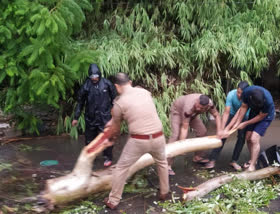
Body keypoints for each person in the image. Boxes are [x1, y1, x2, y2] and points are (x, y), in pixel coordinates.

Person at [102, 73, 169, 209]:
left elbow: (116, 129)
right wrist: (114, 119)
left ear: (116, 86)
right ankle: (164, 192)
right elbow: (138, 111)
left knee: (121, 168)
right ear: (130, 82)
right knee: (162, 162)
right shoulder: (145, 92)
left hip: (139, 140)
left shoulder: (119, 103)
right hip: (158, 137)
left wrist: (110, 141)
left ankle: (113, 200)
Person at [72, 64, 117, 167]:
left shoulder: (107, 84)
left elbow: (115, 99)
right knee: (89, 139)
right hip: (90, 117)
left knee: (106, 137)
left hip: (104, 116)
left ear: (99, 75)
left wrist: (114, 112)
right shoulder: (86, 86)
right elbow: (80, 103)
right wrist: (76, 117)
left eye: (96, 76)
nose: (94, 78)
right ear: (89, 77)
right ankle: (90, 157)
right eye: (92, 77)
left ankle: (108, 157)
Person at [167, 93, 222, 176]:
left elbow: (216, 115)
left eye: (201, 108)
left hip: (192, 115)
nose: (198, 108)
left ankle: (198, 157)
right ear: (197, 101)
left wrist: (219, 131)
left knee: (202, 131)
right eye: (198, 106)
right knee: (175, 135)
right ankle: (167, 165)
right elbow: (185, 127)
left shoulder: (210, 105)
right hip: (178, 111)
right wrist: (182, 145)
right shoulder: (189, 106)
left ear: (206, 106)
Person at [223, 85, 275, 171]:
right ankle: (252, 159)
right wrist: (238, 122)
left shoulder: (268, 101)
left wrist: (245, 123)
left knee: (254, 138)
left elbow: (261, 117)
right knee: (248, 137)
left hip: (266, 116)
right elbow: (244, 107)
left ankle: (253, 165)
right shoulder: (247, 92)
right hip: (254, 112)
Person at [205, 81, 250, 171]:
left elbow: (240, 113)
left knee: (241, 138)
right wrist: (222, 129)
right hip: (232, 114)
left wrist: (231, 127)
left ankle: (234, 160)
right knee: (222, 136)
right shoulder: (231, 94)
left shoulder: (249, 96)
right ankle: (212, 159)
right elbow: (226, 112)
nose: (239, 95)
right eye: (238, 92)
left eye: (241, 93)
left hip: (245, 116)